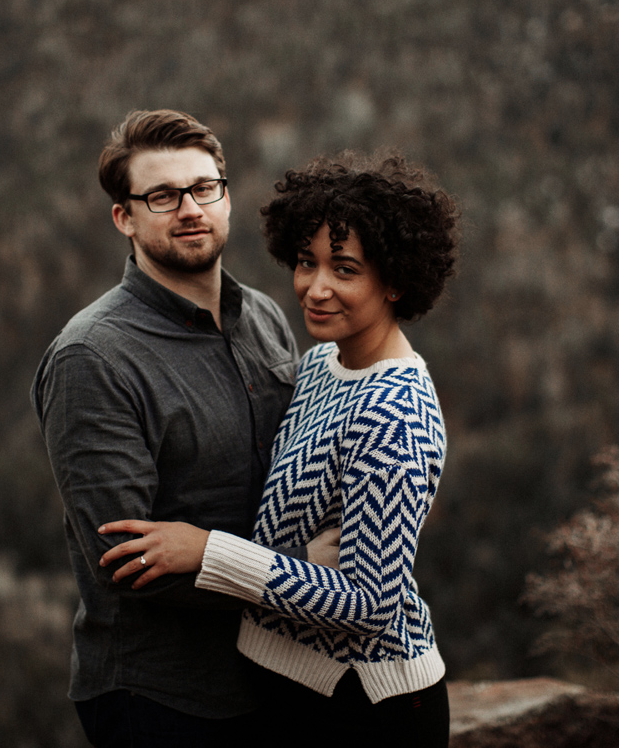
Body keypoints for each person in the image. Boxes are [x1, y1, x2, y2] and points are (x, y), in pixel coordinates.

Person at [98, 151, 460, 746]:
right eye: (305, 262)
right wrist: (298, 557)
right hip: (290, 688)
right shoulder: (320, 364)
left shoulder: (397, 414)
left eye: (345, 269)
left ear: (395, 280)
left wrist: (208, 552)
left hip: (369, 699)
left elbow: (371, 603)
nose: (315, 289)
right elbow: (282, 517)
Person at [32, 109, 324, 747]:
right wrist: (306, 574)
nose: (190, 208)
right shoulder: (93, 357)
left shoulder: (267, 318)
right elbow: (129, 566)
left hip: (277, 678)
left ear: (226, 195)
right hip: (162, 697)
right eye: (162, 196)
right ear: (125, 218)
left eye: (204, 187)